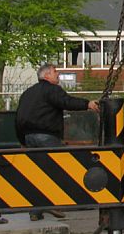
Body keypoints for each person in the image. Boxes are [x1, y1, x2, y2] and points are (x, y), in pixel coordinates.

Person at [15, 63, 99, 220]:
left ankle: (36, 210)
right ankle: (54, 203)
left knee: (37, 174)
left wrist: (22, 140)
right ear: (46, 76)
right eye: (55, 72)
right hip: (47, 137)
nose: (58, 74)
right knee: (56, 170)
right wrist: (87, 104)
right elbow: (66, 101)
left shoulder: (27, 93)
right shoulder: (52, 90)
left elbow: (19, 117)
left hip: (29, 137)